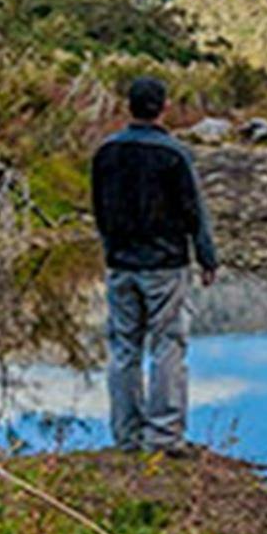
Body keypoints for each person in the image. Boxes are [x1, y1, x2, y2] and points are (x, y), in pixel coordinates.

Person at [91, 76, 220, 454]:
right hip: (165, 263)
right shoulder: (173, 154)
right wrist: (207, 257)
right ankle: (163, 436)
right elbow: (194, 211)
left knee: (124, 348)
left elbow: (99, 210)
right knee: (168, 346)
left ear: (127, 106)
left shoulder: (105, 153)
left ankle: (127, 436)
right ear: (164, 107)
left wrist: (110, 249)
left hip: (120, 262)